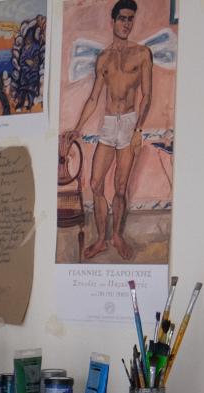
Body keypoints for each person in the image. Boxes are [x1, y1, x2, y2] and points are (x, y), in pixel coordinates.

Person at [61, 0, 153, 260]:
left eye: (130, 19)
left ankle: (117, 236)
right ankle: (102, 239)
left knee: (121, 186)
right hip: (109, 124)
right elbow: (93, 98)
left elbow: (147, 95)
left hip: (129, 123)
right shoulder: (104, 58)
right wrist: (77, 128)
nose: (126, 23)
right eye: (122, 18)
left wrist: (138, 130)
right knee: (95, 183)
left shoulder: (142, 54)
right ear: (112, 21)